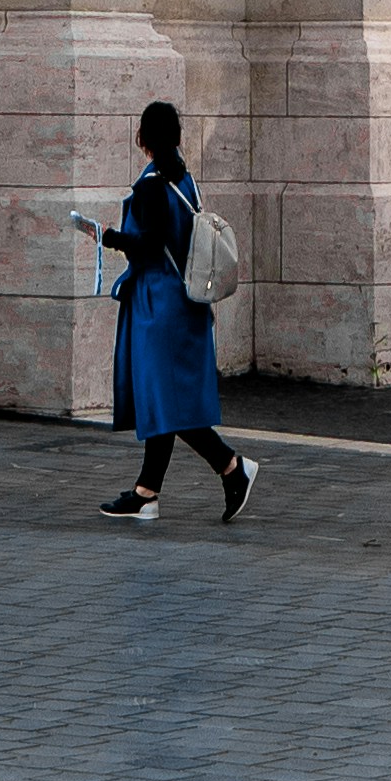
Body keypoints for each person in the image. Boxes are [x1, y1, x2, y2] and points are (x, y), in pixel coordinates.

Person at [86, 99, 259, 526]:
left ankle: (231, 467)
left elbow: (147, 247)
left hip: (158, 303)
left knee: (164, 399)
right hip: (186, 300)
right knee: (165, 399)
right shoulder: (186, 180)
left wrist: (110, 237)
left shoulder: (151, 185)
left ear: (142, 138)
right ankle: (148, 492)